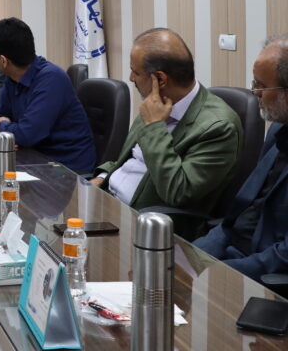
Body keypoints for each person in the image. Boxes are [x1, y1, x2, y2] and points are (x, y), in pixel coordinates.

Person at [91, 29, 240, 217]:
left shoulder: (219, 128)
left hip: (144, 221)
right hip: (107, 201)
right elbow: (130, 159)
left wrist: (155, 127)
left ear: (160, 79)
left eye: (135, 72)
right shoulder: (156, 102)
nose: (131, 78)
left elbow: (178, 192)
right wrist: (102, 177)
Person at [194, 36, 288, 279]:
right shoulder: (278, 129)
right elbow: (237, 217)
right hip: (232, 253)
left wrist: (218, 274)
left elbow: (283, 256)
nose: (255, 92)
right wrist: (192, 258)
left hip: (262, 277)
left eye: (261, 85)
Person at [0, 18, 97, 173]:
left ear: (4, 60)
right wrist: (8, 129)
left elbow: (26, 134)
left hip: (66, 167)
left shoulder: (51, 79)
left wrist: (4, 126)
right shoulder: (12, 78)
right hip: (34, 159)